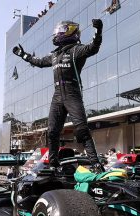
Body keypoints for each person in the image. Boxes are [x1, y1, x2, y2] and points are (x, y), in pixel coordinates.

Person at [13, 19, 103, 168]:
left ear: (69, 32)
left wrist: (98, 30)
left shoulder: (76, 50)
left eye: (60, 30)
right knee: (52, 131)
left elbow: (93, 48)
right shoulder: (55, 55)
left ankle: (95, 164)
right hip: (57, 96)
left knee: (82, 130)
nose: (56, 34)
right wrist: (23, 55)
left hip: (72, 94)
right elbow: (39, 62)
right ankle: (53, 164)